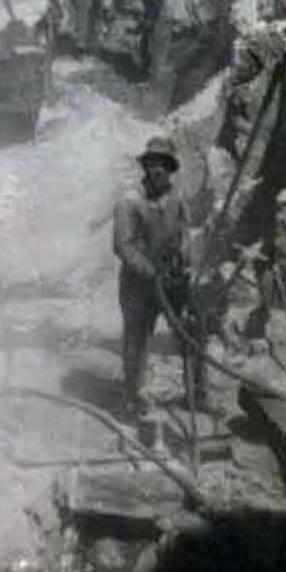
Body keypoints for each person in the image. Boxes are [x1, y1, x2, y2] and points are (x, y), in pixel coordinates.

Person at [113, 135, 202, 409]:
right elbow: (123, 246)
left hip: (173, 279)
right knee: (137, 339)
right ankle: (133, 396)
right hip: (139, 284)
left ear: (171, 168)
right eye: (152, 163)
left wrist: (187, 259)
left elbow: (185, 231)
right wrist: (149, 271)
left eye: (163, 164)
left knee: (193, 328)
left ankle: (197, 394)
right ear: (145, 167)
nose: (158, 169)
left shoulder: (177, 198)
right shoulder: (130, 202)